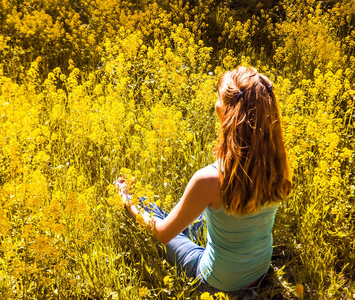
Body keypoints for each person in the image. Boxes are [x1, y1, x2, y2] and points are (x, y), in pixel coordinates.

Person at [114, 66, 292, 295]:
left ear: (228, 112)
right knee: (198, 217)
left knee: (150, 212)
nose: (215, 104)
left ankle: (131, 195)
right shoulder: (279, 165)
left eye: (218, 99)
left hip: (217, 282)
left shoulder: (209, 180)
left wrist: (128, 201)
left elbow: (162, 233)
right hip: (259, 269)